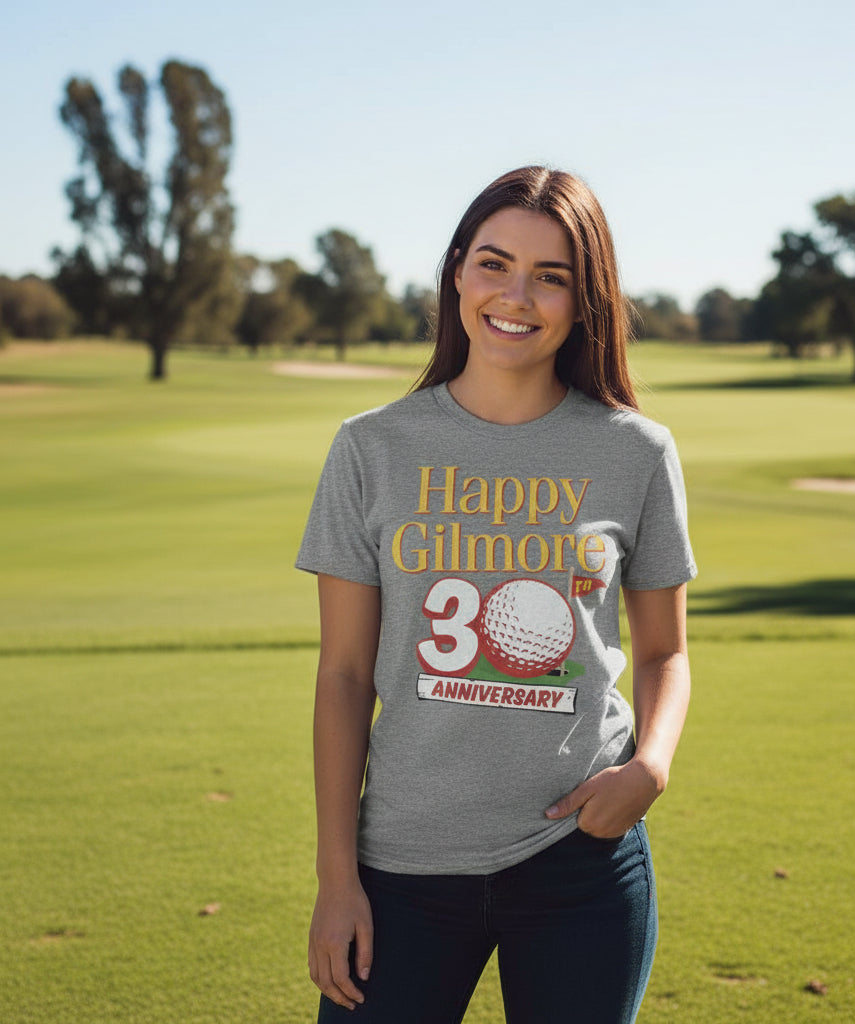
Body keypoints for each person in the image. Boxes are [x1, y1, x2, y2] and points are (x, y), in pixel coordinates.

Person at [296, 165, 697, 1023]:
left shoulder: (636, 452)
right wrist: (336, 877)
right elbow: (343, 676)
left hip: (580, 860)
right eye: (494, 263)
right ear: (456, 272)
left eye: (551, 276)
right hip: (400, 866)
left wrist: (652, 766)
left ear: (585, 300)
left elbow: (665, 652)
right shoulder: (371, 447)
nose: (516, 296)